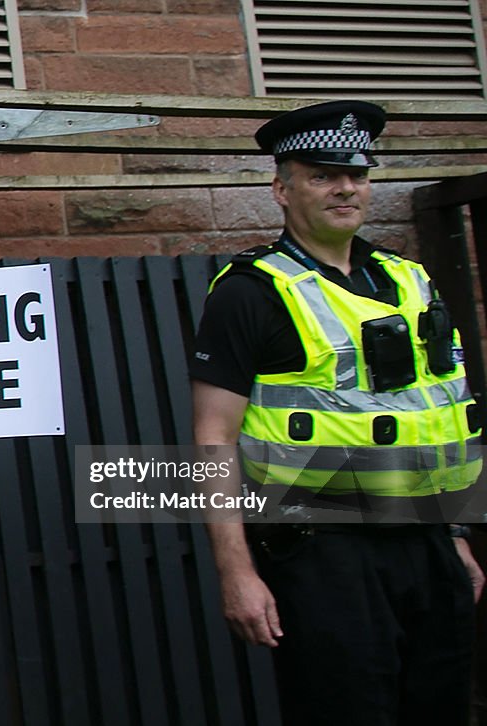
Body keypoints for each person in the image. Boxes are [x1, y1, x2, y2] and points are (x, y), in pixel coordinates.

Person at [191, 100, 485, 725]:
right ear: (281, 188)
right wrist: (236, 572)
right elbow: (213, 438)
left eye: (356, 173)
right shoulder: (251, 292)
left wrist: (453, 536)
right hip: (324, 556)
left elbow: (436, 412)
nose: (345, 187)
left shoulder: (410, 281)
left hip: (427, 543)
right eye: (322, 174)